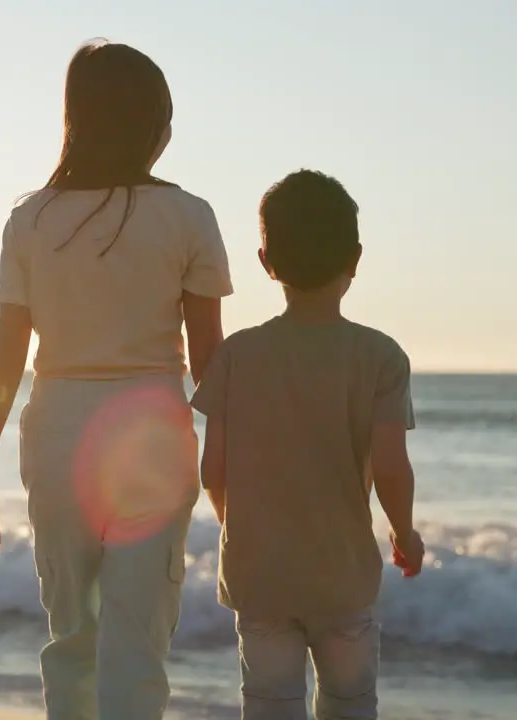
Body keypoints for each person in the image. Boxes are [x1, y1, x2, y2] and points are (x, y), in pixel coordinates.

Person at [0, 40, 233, 719]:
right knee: (137, 646)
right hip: (153, 438)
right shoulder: (189, 215)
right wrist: (230, 471)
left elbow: (5, 358)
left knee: (73, 639)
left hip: (56, 435)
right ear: (154, 124)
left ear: (75, 119)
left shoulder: (31, 218)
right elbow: (211, 364)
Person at [189, 169, 425, 720]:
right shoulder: (381, 357)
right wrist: (404, 531)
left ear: (267, 264)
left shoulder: (236, 357)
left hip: (259, 576)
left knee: (269, 707)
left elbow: (213, 469)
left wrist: (234, 525)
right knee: (349, 704)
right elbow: (391, 467)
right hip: (342, 577)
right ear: (356, 259)